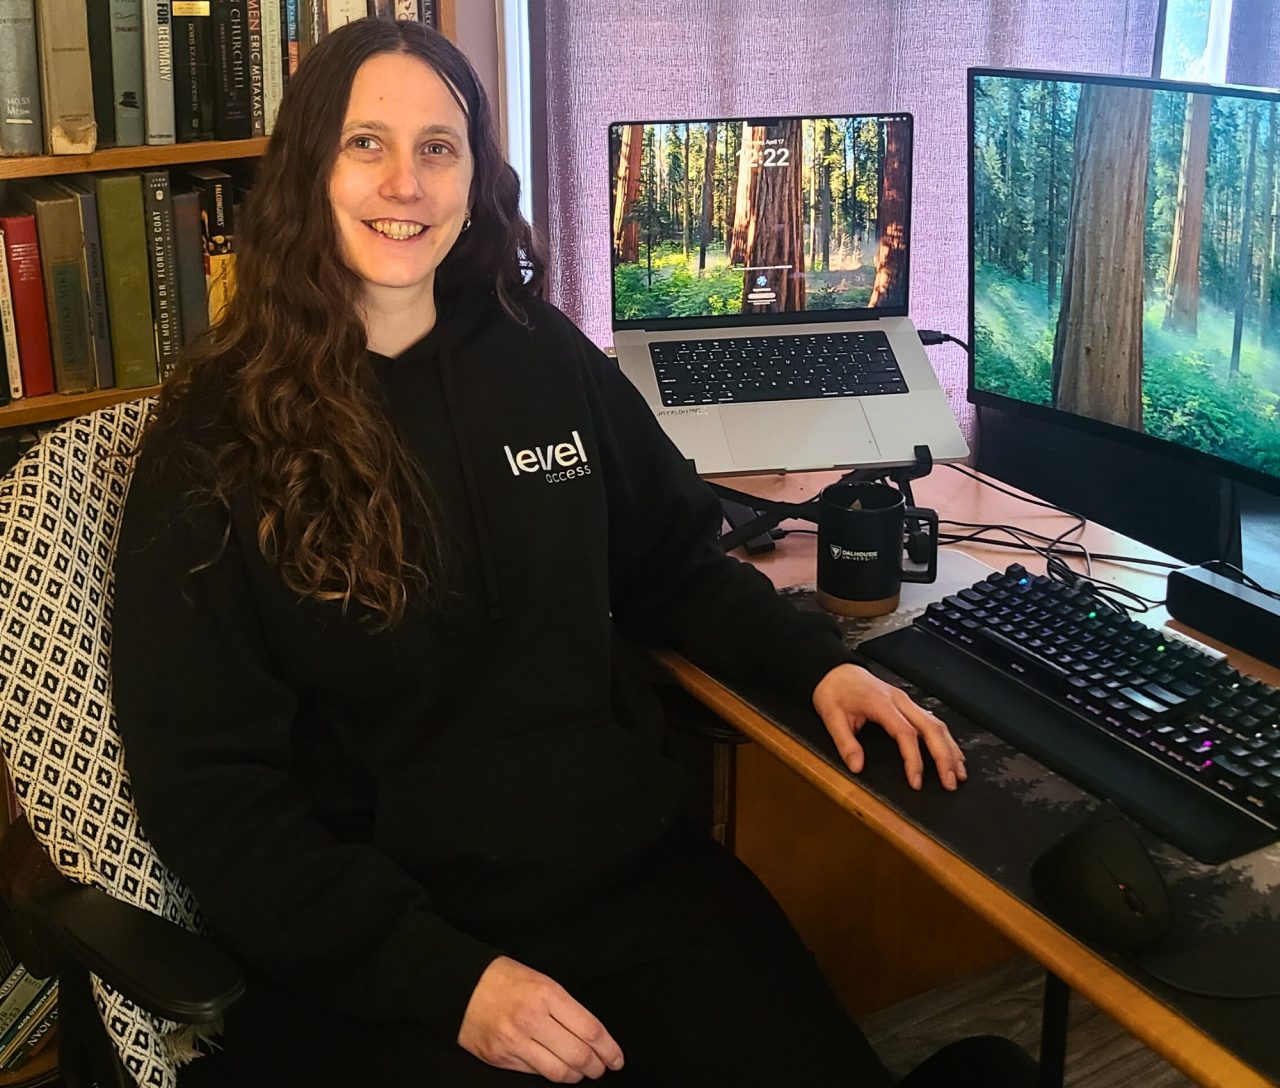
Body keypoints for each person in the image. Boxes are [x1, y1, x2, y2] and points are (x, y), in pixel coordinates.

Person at [111, 17, 1003, 1087]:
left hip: (622, 880)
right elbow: (214, 796)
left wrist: (815, 666)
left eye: (436, 148)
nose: (404, 182)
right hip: (390, 948)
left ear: (474, 175)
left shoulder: (540, 356)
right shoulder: (213, 435)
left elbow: (672, 564)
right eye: (366, 144)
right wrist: (452, 980)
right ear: (308, 165)